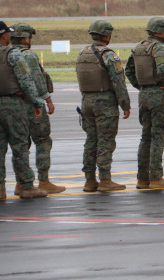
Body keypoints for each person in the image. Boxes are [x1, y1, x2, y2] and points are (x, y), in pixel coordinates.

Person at [75, 20, 131, 192]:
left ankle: (90, 180)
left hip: (86, 102)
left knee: (91, 141)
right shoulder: (109, 55)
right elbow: (118, 81)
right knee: (105, 141)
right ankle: (105, 180)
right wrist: (125, 104)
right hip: (104, 103)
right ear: (107, 35)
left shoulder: (83, 53)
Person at [124, 17, 164, 189]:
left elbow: (129, 71)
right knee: (159, 136)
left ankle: (142, 178)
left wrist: (141, 86)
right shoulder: (159, 48)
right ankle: (156, 177)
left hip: (144, 95)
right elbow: (162, 69)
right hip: (158, 95)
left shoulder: (139, 47)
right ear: (161, 31)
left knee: (145, 137)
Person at [10, 23, 64, 194]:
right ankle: (44, 180)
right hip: (31, 104)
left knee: (21, 145)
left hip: (13, 106)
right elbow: (38, 81)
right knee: (43, 141)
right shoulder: (29, 55)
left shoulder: (7, 54)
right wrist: (47, 100)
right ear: (25, 38)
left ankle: (21, 182)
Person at [0, 21, 48, 199]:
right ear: (3, 35)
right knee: (20, 145)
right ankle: (26, 185)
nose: (9, 37)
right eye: (7, 34)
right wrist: (37, 102)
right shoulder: (12, 54)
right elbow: (26, 80)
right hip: (12, 104)